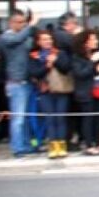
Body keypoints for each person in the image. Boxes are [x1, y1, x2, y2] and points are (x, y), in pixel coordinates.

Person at [27, 30, 72, 159]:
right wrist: (47, 66)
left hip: (60, 89)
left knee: (60, 118)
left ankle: (62, 146)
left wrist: (56, 61)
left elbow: (66, 68)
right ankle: (52, 146)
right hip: (45, 91)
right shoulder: (34, 56)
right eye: (44, 39)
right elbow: (34, 73)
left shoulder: (60, 53)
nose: (48, 41)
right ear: (38, 42)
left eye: (49, 39)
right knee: (50, 118)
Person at [2, 9, 37, 156]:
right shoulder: (7, 37)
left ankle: (27, 144)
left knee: (27, 118)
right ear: (11, 23)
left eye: (24, 22)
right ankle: (18, 148)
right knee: (18, 119)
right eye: (20, 22)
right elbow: (18, 39)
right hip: (16, 83)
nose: (23, 25)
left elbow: (29, 44)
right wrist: (31, 25)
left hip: (27, 81)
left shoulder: (24, 36)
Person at [71, 30, 99, 155]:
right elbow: (80, 74)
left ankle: (98, 142)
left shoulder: (97, 54)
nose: (95, 41)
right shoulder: (77, 57)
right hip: (85, 92)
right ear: (85, 43)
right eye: (92, 39)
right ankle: (88, 143)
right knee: (88, 118)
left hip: (98, 90)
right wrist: (92, 63)